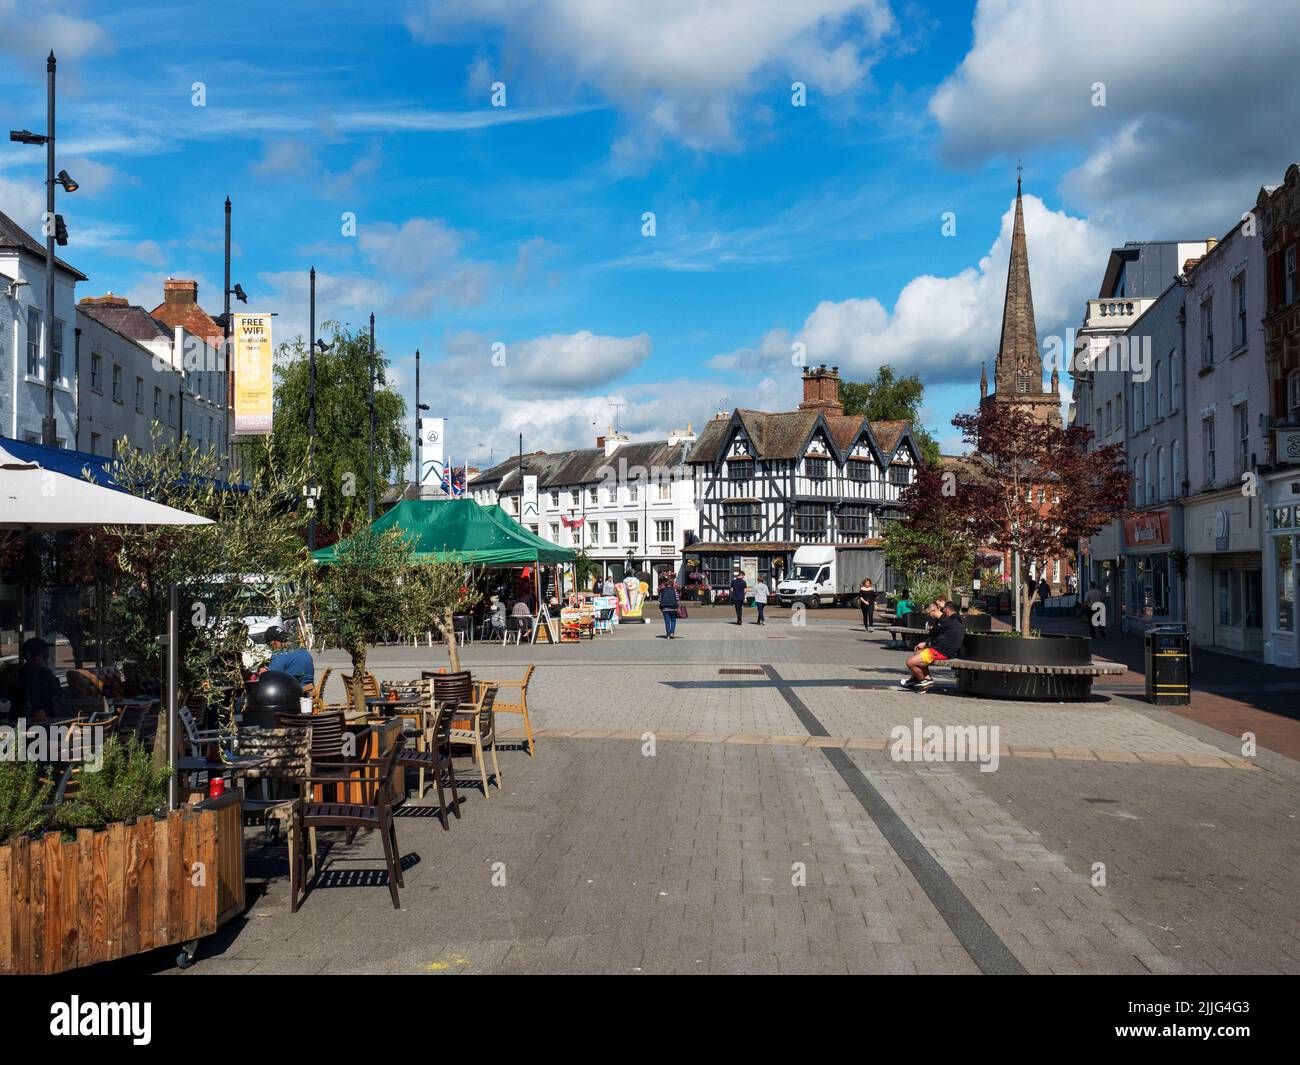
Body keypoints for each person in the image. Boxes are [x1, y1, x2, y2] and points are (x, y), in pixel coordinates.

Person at [901, 601, 966, 692]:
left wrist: (927, 643)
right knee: (917, 652)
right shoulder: (954, 621)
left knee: (910, 662)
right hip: (942, 650)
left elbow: (934, 634)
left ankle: (924, 682)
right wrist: (926, 644)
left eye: (928, 613)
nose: (928, 616)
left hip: (940, 651)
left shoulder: (947, 621)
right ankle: (924, 678)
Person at [263, 626, 315, 695]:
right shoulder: (303, 651)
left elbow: (271, 679)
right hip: (309, 694)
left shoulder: (280, 657)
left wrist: (263, 673)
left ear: (274, 642)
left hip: (294, 698)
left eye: (269, 645)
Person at [18, 637, 56, 723]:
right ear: (30, 656)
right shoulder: (27, 676)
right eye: (44, 658)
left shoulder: (42, 673)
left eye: (47, 658)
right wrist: (45, 670)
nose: (46, 662)